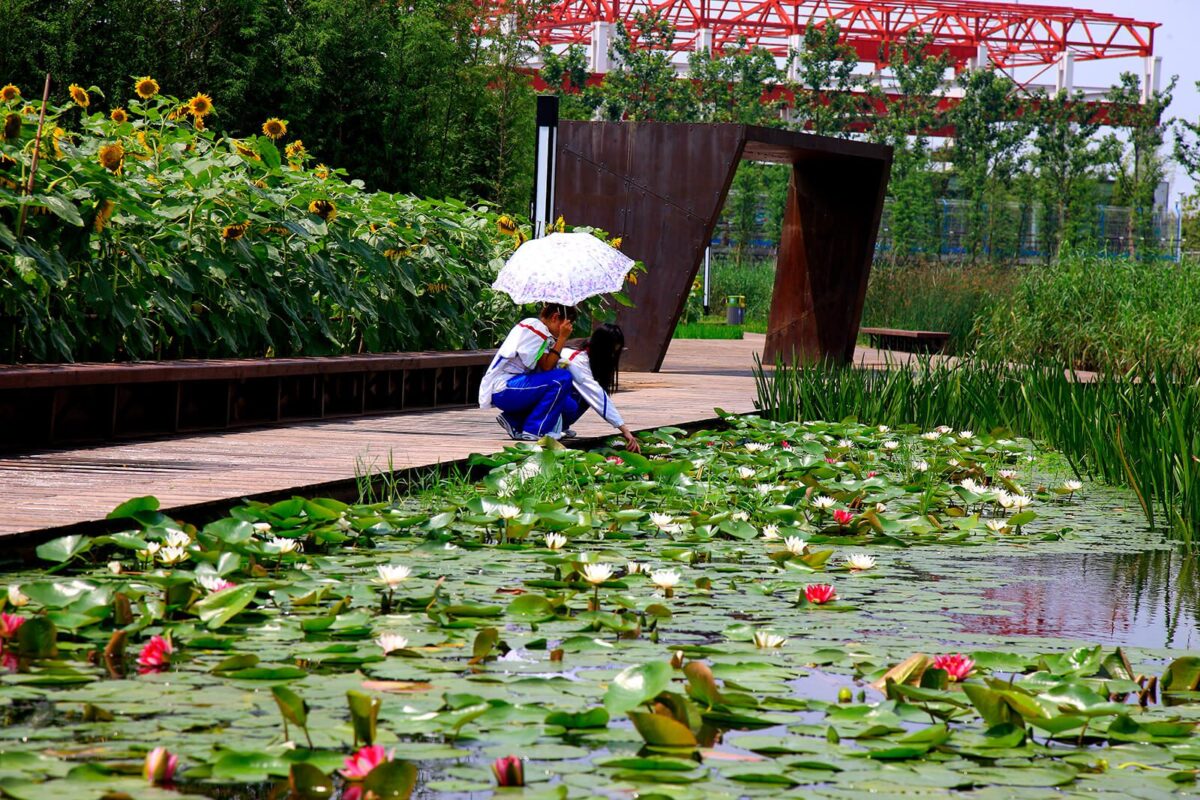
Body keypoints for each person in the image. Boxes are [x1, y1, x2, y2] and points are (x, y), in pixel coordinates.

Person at [479, 303, 577, 441]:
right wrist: (562, 338)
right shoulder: (534, 327)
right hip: (505, 387)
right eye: (568, 323)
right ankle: (534, 430)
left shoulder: (543, 333)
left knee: (569, 407)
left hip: (519, 387)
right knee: (562, 378)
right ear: (555, 317)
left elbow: (543, 366)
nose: (570, 328)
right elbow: (547, 367)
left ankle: (513, 421)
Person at [557, 323, 641, 453]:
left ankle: (561, 425)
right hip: (550, 396)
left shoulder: (591, 354)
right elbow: (595, 393)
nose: (613, 356)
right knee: (579, 401)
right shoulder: (576, 357)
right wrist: (624, 430)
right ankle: (555, 424)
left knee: (587, 395)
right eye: (611, 352)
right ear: (601, 348)